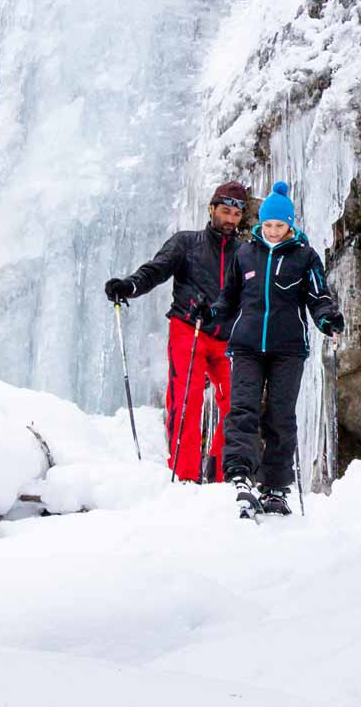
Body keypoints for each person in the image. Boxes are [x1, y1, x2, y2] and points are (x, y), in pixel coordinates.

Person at [210, 180, 343, 517]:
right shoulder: (245, 254)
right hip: (247, 347)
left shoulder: (305, 257)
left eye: (278, 225)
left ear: (290, 225)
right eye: (267, 224)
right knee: (243, 410)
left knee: (280, 418)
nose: (271, 231)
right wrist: (211, 312)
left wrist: (328, 321)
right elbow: (229, 297)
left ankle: (275, 488)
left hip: (288, 350)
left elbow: (318, 297)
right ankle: (240, 475)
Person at [104, 182, 249, 482]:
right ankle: (185, 477)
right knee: (186, 401)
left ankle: (224, 475)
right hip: (188, 329)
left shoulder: (245, 253)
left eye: (236, 214)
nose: (230, 220)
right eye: (225, 211)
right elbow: (156, 270)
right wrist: (129, 286)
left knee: (237, 406)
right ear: (211, 209)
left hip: (227, 339)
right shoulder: (187, 243)